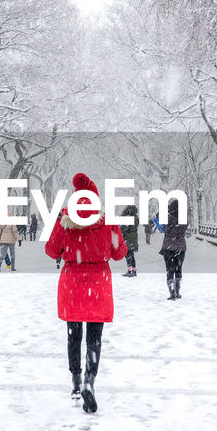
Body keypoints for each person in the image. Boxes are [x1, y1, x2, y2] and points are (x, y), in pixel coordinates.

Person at [44, 171, 126, 412]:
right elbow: (120, 253)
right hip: (98, 282)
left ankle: (76, 380)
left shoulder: (65, 219)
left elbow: (51, 250)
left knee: (73, 334)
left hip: (72, 282)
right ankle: (90, 379)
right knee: (94, 337)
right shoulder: (106, 220)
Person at [159, 197, 187, 300]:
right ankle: (177, 291)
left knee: (169, 270)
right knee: (178, 269)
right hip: (181, 247)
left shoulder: (167, 218)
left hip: (169, 247)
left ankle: (172, 293)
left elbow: (158, 216)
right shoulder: (184, 219)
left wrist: (167, 209)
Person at [119, 202, 140, 277]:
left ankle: (129, 270)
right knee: (132, 254)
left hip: (128, 238)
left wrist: (121, 235)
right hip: (134, 237)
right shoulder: (136, 218)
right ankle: (134, 270)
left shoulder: (128, 218)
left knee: (127, 254)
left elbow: (123, 229)